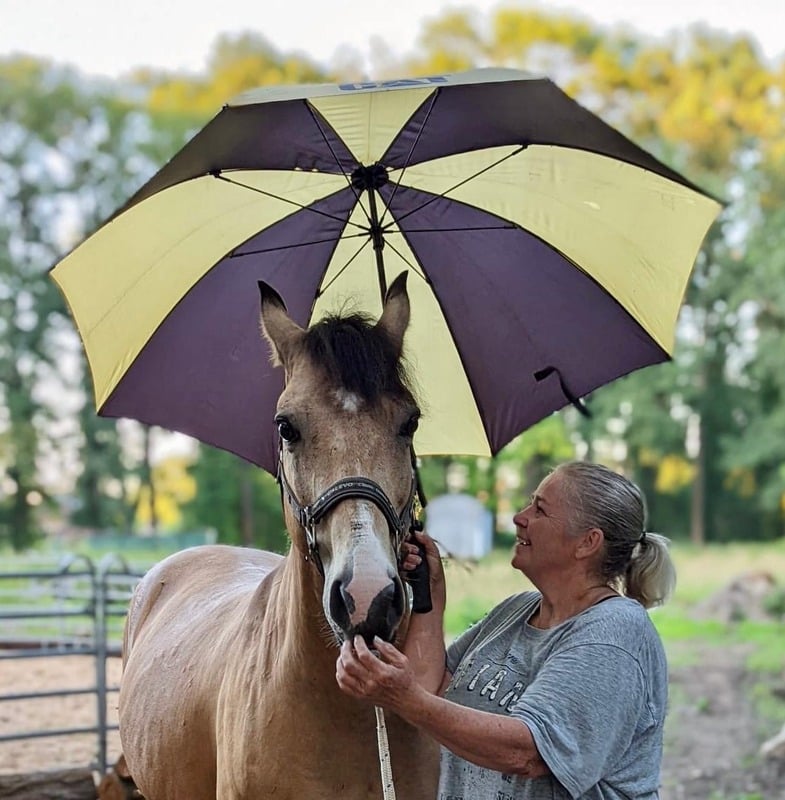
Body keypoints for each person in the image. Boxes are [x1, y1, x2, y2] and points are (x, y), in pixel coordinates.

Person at [336, 460, 677, 799]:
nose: (519, 517)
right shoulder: (515, 611)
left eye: (540, 510)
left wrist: (406, 699)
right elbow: (431, 687)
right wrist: (428, 593)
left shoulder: (615, 635)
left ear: (587, 543)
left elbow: (526, 753)